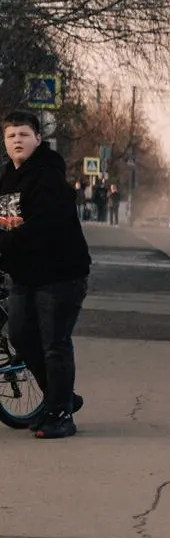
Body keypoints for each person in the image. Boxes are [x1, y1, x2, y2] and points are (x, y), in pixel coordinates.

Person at [0, 111, 92, 439]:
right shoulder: (7, 177)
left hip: (61, 274)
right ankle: (61, 398)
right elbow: (6, 224)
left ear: (38, 139)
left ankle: (61, 415)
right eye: (11, 136)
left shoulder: (48, 176)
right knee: (22, 337)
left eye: (24, 135)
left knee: (54, 344)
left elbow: (43, 226)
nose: (17, 141)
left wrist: (6, 242)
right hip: (27, 275)